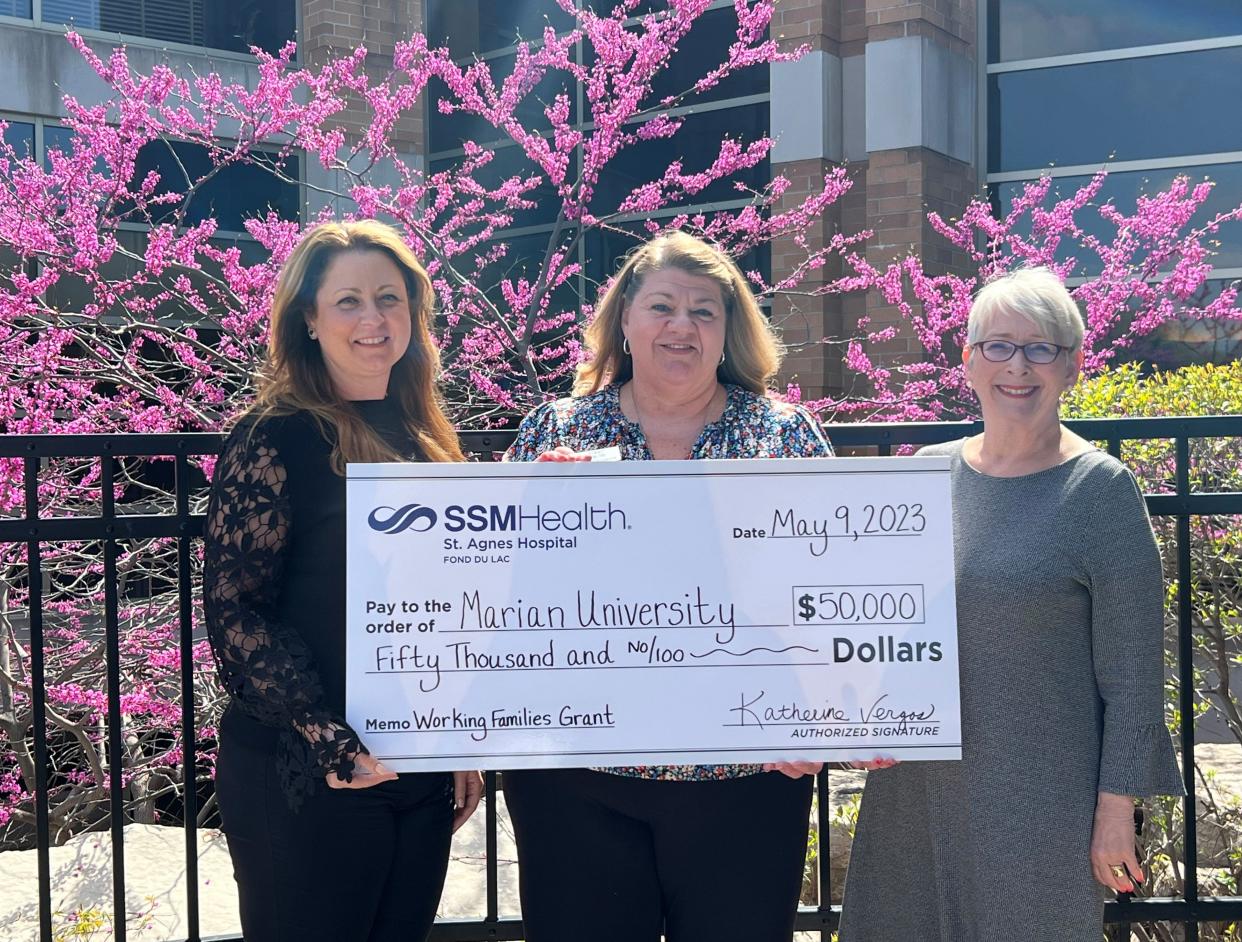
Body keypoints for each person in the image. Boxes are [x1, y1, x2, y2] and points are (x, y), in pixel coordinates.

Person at [502, 230, 831, 942]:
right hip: (576, 775)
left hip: (746, 776)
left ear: (728, 330)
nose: (681, 325)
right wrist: (538, 513)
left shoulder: (785, 436)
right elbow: (495, 589)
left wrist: (824, 713)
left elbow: (837, 592)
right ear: (623, 320)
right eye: (661, 306)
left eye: (704, 311)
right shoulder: (557, 431)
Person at [838, 267, 1183, 941]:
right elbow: (873, 615)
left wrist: (1118, 808)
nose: (1018, 367)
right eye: (998, 346)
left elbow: (1135, 674)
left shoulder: (1102, 493)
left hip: (1043, 798)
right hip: (916, 793)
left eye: (1041, 347)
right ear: (968, 362)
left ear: (1073, 365)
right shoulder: (924, 472)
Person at [202, 220, 483, 942]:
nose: (373, 319)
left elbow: (455, 603)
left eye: (390, 298)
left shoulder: (425, 438)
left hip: (414, 771)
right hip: (308, 768)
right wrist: (331, 739)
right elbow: (236, 613)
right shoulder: (273, 436)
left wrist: (456, 745)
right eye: (350, 300)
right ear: (309, 318)